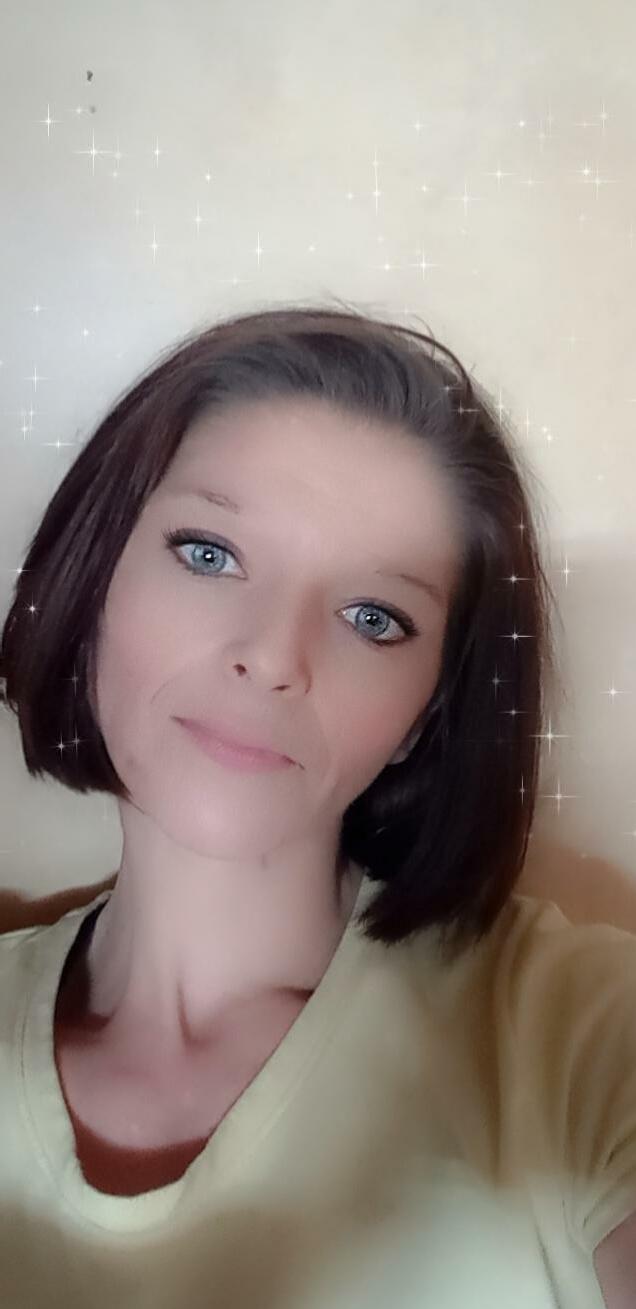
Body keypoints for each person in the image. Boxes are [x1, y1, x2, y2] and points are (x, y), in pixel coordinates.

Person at [0, 302, 634, 1307]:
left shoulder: (585, 1034)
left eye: (374, 616)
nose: (272, 657)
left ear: (428, 711)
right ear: (95, 581)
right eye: (209, 553)